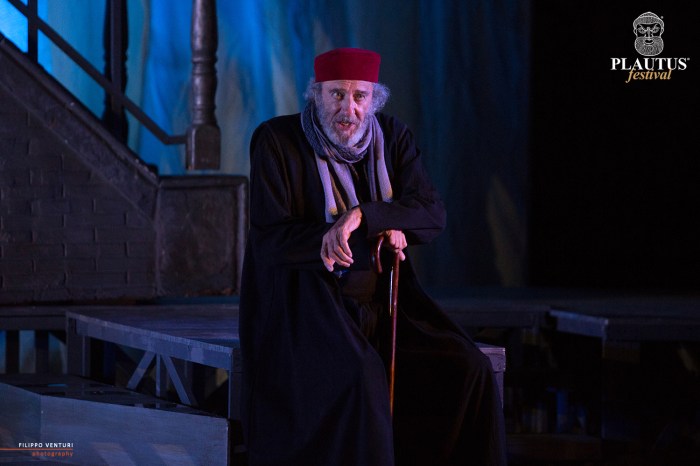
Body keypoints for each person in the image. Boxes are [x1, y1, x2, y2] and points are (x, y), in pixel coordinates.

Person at [239, 47, 507, 465]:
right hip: (308, 309)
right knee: (362, 377)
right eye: (337, 95)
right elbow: (268, 239)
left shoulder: (392, 137)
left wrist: (365, 216)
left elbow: (431, 213)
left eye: (359, 96)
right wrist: (329, 237)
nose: (348, 109)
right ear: (316, 95)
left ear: (374, 100)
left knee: (468, 368)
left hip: (386, 308)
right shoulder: (277, 141)